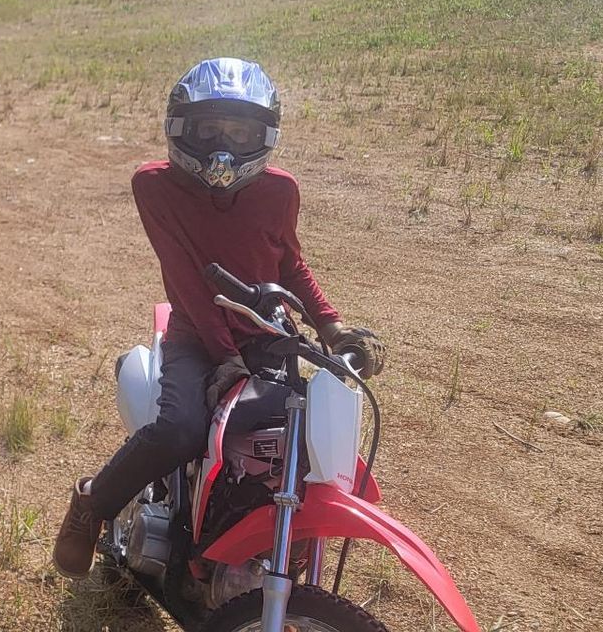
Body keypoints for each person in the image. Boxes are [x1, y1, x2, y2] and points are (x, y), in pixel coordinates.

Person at [50, 58, 387, 579]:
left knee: (300, 434)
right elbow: (185, 278)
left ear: (264, 134)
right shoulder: (155, 186)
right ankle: (91, 505)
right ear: (182, 128)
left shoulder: (280, 190)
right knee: (179, 429)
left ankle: (278, 538)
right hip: (195, 335)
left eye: (239, 130)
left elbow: (289, 260)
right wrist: (224, 355)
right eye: (209, 129)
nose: (222, 147)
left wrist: (331, 325)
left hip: (265, 333)